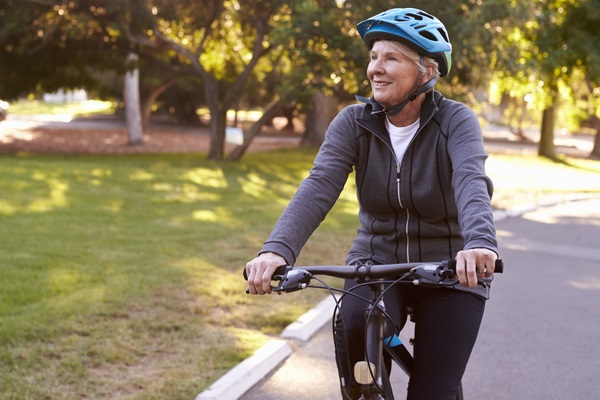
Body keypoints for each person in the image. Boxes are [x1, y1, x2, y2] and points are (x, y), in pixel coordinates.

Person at [245, 7, 498, 400]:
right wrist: (276, 250)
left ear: (426, 72)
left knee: (434, 389)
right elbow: (319, 185)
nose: (375, 69)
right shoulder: (354, 123)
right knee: (355, 332)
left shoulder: (456, 121)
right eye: (373, 56)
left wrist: (479, 243)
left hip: (451, 267)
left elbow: (470, 179)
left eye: (391, 58)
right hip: (375, 262)